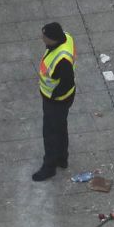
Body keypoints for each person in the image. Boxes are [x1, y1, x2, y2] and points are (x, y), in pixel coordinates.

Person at [32, 22, 76, 182]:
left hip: (56, 101)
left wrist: (53, 97)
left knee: (50, 133)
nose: (42, 38)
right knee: (60, 127)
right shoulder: (67, 38)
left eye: (45, 37)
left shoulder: (62, 60)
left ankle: (49, 167)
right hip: (61, 99)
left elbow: (67, 82)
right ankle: (61, 158)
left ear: (54, 39)